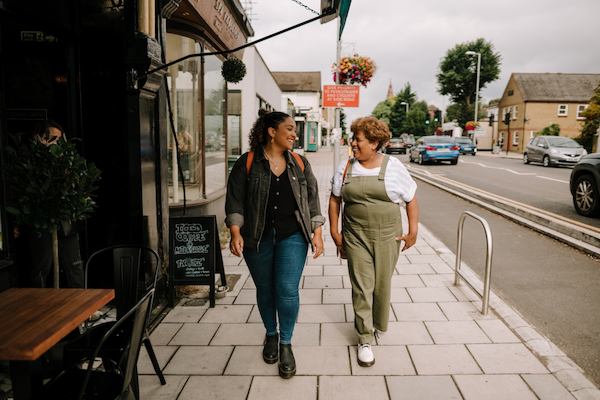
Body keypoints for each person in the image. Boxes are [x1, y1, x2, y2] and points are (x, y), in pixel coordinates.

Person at [225, 110, 325, 379]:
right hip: (256, 237)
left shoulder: (300, 163)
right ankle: (271, 333)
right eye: (289, 129)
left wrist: (317, 232)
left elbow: (313, 199)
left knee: (287, 290)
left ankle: (285, 343)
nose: (294, 134)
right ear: (272, 132)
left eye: (295, 130)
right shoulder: (247, 163)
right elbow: (234, 200)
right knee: (266, 289)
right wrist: (235, 231)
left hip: (293, 235)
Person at [328, 116, 419, 367]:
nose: (353, 145)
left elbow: (410, 198)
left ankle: (378, 324)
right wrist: (335, 233)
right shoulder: (345, 167)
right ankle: (364, 337)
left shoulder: (393, 167)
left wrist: (413, 232)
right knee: (362, 286)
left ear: (375, 142)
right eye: (353, 139)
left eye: (358, 140)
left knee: (381, 285)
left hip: (388, 236)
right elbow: (335, 199)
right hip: (355, 235)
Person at [16, 121, 84, 288]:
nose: (56, 143)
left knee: (74, 265)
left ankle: (82, 307)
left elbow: (78, 187)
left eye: (60, 140)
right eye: (52, 138)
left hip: (65, 221)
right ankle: (40, 307)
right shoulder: (30, 161)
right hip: (42, 222)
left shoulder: (68, 161)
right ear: (39, 138)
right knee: (41, 267)